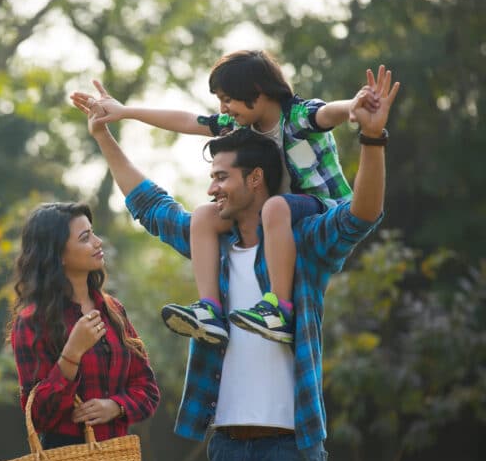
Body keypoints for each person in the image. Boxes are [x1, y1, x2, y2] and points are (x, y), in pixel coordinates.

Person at [74, 66, 399, 461]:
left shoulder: (302, 246)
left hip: (291, 446)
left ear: (255, 179)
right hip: (225, 446)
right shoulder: (213, 248)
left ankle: (274, 310)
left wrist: (372, 139)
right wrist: (104, 136)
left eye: (221, 178)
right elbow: (151, 205)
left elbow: (361, 214)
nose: (212, 190)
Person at [71, 50, 379, 348]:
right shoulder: (240, 126)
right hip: (273, 216)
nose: (223, 108)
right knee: (205, 215)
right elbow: (189, 121)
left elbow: (328, 113)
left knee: (275, 206)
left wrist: (354, 105)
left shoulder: (297, 117)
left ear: (257, 92)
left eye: (227, 98)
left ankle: (280, 308)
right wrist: (126, 112)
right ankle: (210, 311)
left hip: (319, 208)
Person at [8, 202, 160, 450]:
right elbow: (39, 416)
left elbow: (148, 390)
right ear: (58, 254)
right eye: (85, 238)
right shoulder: (32, 322)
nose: (98, 242)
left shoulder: (113, 310)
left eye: (93, 233)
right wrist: (72, 354)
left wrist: (116, 406)